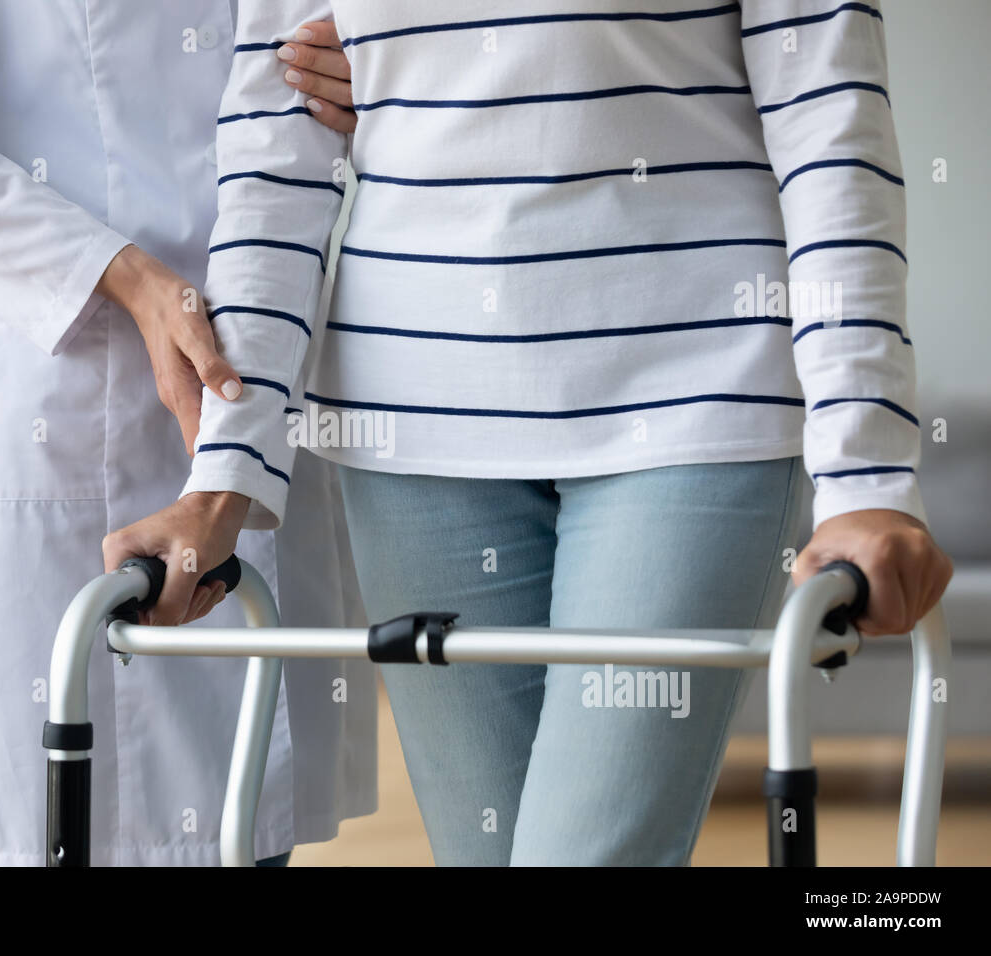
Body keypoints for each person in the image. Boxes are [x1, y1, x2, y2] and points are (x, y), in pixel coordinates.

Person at [103, 1, 953, 865]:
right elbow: (272, 168)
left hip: (694, 400)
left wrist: (867, 480)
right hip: (413, 428)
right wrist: (219, 482)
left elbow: (831, 132)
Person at [0, 0, 374, 867]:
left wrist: (387, 74)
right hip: (54, 393)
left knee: (235, 830)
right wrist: (124, 276)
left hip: (261, 359)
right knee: (42, 828)